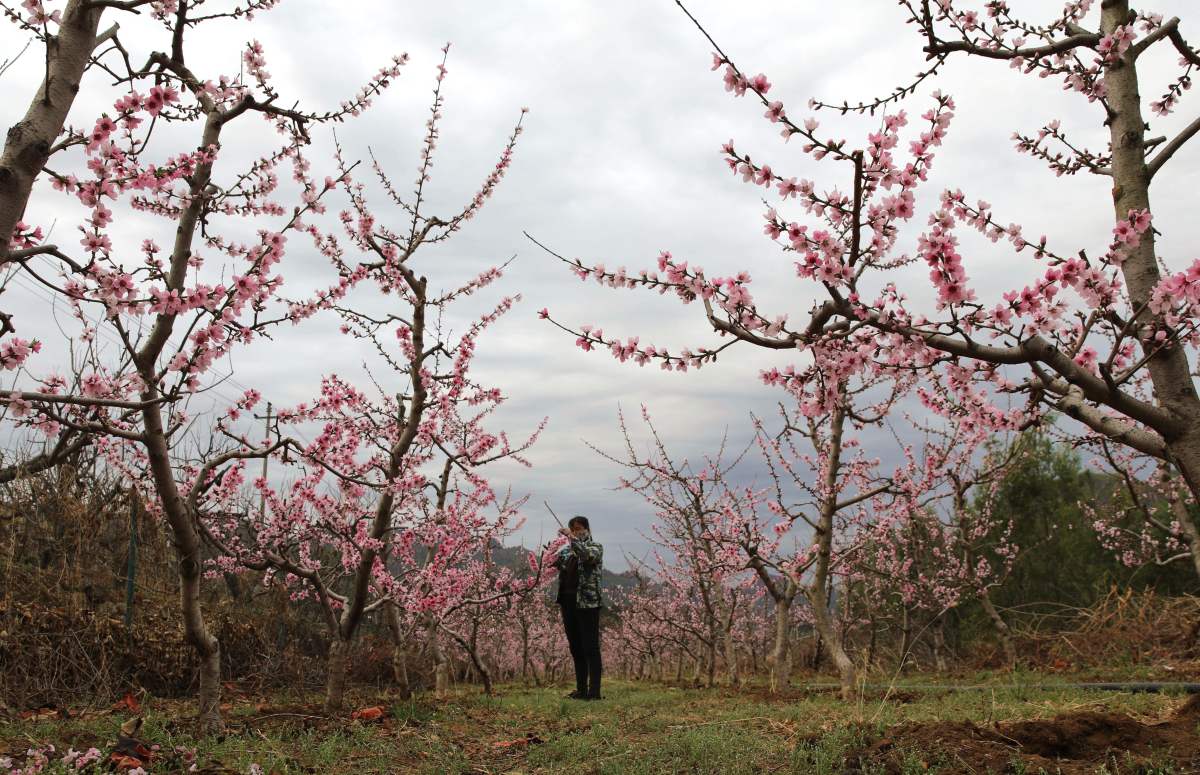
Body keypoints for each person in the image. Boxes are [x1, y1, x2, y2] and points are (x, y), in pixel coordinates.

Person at [553, 515, 603, 700]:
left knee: (591, 647)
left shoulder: (595, 547)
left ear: (587, 529)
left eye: (579, 528)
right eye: (573, 529)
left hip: (588, 603)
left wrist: (572, 540)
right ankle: (581, 690)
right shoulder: (566, 551)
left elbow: (586, 556)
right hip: (568, 602)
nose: (576, 531)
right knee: (576, 647)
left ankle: (594, 692)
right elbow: (557, 564)